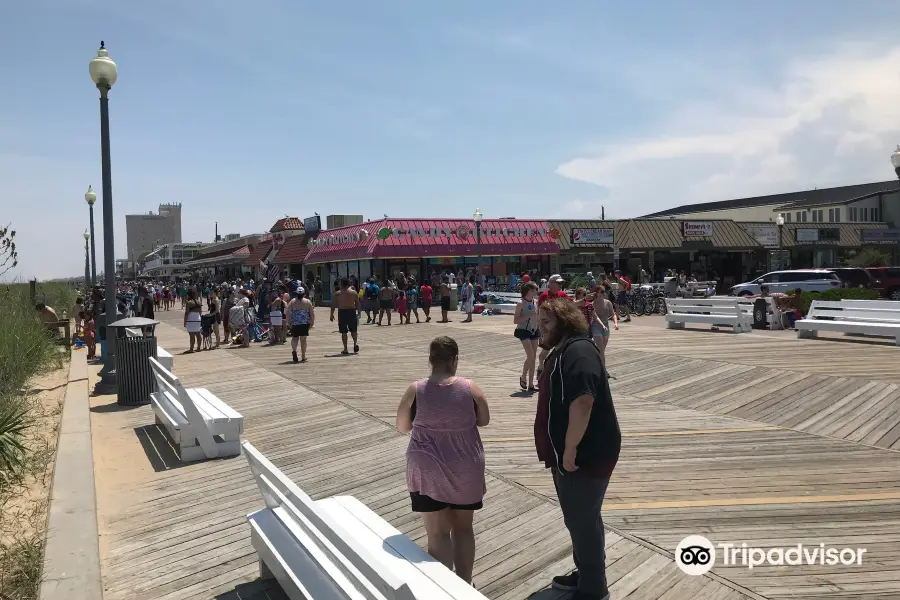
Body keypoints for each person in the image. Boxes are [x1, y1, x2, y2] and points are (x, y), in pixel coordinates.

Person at [535, 298, 621, 600]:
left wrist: (570, 447)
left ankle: (593, 589)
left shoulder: (579, 352)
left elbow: (583, 401)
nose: (540, 327)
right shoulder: (564, 350)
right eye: (539, 320)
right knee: (584, 517)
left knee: (581, 520)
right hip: (574, 453)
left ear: (565, 322)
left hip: (586, 453)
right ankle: (587, 571)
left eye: (547, 322)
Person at [395, 336, 490, 585]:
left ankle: (444, 588)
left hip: (427, 469)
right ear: (455, 360)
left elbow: (402, 425)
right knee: (463, 529)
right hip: (465, 466)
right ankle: (465, 583)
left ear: (431, 360)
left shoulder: (416, 389)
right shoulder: (471, 388)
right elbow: (484, 420)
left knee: (437, 534)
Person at [537, 275, 571, 376]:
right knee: (546, 350)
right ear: (551, 284)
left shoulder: (563, 295)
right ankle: (540, 366)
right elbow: (539, 313)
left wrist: (585, 299)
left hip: (560, 326)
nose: (561, 285)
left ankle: (556, 370)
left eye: (561, 283)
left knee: (560, 348)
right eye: (558, 283)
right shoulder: (544, 296)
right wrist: (540, 331)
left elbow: (572, 305)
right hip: (547, 327)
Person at [514, 282, 540, 391]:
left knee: (533, 357)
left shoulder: (536, 302)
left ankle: (531, 384)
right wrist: (529, 315)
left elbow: (538, 317)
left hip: (535, 329)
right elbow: (515, 320)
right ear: (529, 290)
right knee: (530, 355)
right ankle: (523, 375)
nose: (537, 291)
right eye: (535, 289)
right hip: (523, 330)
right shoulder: (521, 303)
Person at [330, 278, 361, 354]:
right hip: (352, 312)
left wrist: (331, 314)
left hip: (342, 312)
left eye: (339, 283)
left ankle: (345, 348)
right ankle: (355, 343)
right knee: (354, 330)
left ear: (343, 284)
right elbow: (357, 303)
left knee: (344, 332)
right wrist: (359, 312)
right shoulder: (354, 293)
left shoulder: (338, 293)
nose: (338, 285)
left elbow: (333, 305)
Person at [286, 287, 314, 363]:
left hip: (295, 322)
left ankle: (294, 350)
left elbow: (288, 312)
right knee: (303, 339)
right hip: (304, 323)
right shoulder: (307, 301)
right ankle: (303, 356)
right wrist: (312, 322)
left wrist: (288, 322)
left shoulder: (292, 302)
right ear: (304, 294)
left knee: (295, 338)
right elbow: (311, 313)